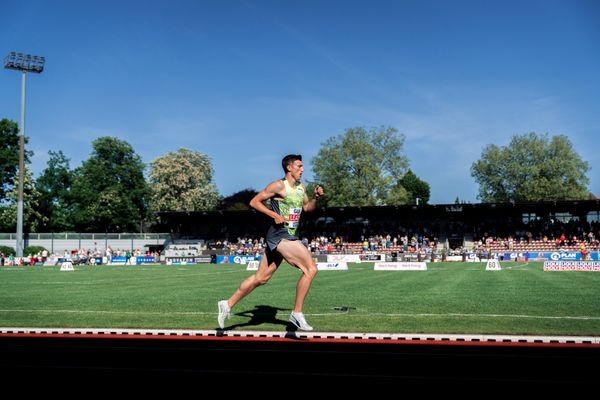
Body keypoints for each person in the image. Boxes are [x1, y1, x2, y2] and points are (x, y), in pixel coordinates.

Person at [217, 154, 324, 331]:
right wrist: (274, 215)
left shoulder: (300, 187)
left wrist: (315, 198)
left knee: (261, 278)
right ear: (289, 168)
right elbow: (254, 201)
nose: (302, 169)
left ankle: (227, 304)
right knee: (310, 269)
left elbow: (307, 208)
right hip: (280, 235)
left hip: (289, 235)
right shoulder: (278, 185)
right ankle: (297, 313)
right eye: (299, 166)